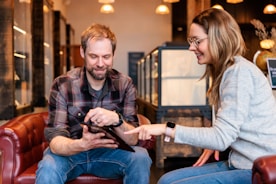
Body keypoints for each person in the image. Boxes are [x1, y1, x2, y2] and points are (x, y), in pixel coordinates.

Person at [125, 8, 276, 184]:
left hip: (255, 167)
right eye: (191, 41)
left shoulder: (239, 73)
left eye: (197, 41)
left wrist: (166, 128)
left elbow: (221, 138)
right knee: (167, 179)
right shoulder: (229, 70)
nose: (191, 47)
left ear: (218, 38)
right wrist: (214, 141)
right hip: (239, 162)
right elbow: (228, 129)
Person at [35, 23, 152, 184]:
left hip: (109, 154)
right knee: (48, 166)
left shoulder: (125, 84)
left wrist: (117, 120)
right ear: (83, 52)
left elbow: (133, 140)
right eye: (93, 56)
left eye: (106, 57)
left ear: (113, 55)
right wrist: (82, 144)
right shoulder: (63, 84)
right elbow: (55, 141)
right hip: (71, 153)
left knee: (140, 157)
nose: (100, 64)